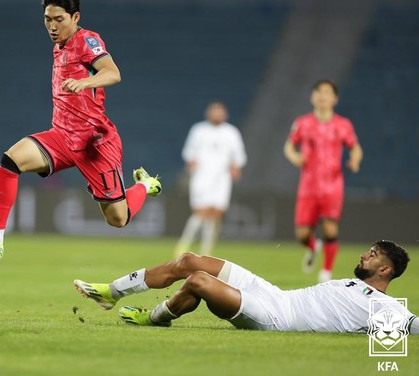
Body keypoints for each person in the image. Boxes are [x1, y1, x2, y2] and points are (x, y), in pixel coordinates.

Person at [0, 0, 161, 262]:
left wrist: (85, 82)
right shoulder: (59, 47)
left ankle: (146, 185)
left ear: (75, 17)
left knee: (118, 218)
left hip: (95, 142)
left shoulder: (87, 40)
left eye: (59, 19)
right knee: (11, 159)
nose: (52, 26)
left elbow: (113, 73)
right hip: (63, 137)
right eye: (47, 19)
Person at [74, 240, 418, 334]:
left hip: (275, 316)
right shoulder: (354, 284)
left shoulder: (386, 308)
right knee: (190, 261)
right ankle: (112, 292)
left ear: (385, 269)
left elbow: (413, 325)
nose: (363, 254)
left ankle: (154, 318)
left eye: (371, 255)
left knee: (197, 282)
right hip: (275, 294)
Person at [283, 80, 363, 282]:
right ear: (312, 97)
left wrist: (355, 159)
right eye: (318, 92)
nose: (322, 96)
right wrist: (294, 157)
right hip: (308, 187)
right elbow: (289, 147)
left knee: (330, 228)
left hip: (332, 186)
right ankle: (312, 247)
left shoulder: (343, 125)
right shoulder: (302, 123)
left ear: (334, 99)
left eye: (327, 93)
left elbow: (355, 147)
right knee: (302, 235)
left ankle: (326, 272)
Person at [175, 102, 246, 257]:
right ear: (208, 113)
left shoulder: (231, 132)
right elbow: (188, 152)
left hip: (222, 178)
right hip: (202, 176)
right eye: (214, 111)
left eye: (220, 112)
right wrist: (191, 161)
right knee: (201, 211)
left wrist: (236, 167)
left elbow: (238, 155)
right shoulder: (199, 130)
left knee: (216, 213)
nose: (217, 115)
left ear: (225, 114)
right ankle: (184, 243)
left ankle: (206, 251)